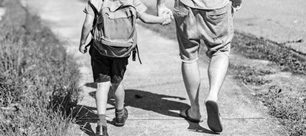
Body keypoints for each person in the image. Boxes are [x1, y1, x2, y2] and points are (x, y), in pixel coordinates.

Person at [79, 0, 171, 135]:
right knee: (117, 83)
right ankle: (120, 115)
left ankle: (101, 124)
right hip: (122, 51)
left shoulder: (96, 1)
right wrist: (163, 19)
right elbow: (145, 18)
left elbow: (87, 24)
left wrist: (82, 43)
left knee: (102, 86)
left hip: (100, 49)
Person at [157, 0, 241, 133]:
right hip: (217, 7)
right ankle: (212, 95)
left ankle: (194, 110)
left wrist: (161, 5)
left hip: (185, 7)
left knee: (189, 56)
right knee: (220, 51)